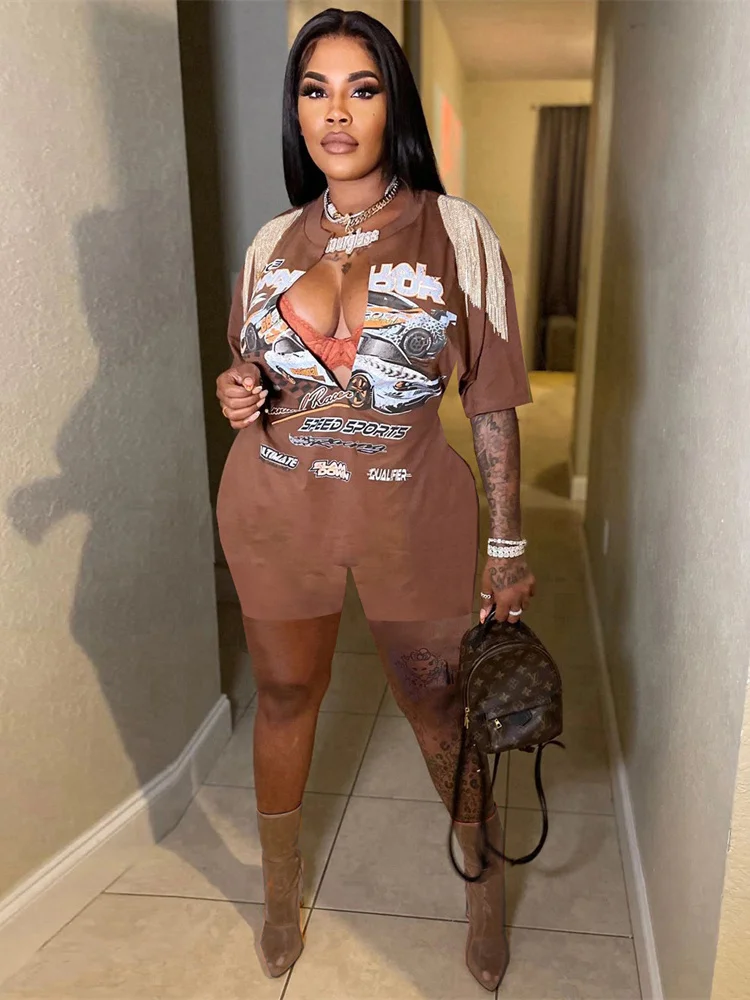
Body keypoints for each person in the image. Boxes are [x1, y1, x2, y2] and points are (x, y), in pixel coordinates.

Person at [215, 8, 534, 991]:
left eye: (362, 88)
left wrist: (508, 546)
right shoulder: (271, 240)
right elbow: (249, 372)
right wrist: (238, 391)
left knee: (437, 704)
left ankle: (482, 883)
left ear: (392, 104)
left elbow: (490, 399)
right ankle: (279, 894)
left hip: (410, 512)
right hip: (277, 511)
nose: (336, 113)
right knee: (282, 695)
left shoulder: (455, 230)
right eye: (315, 90)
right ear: (296, 110)